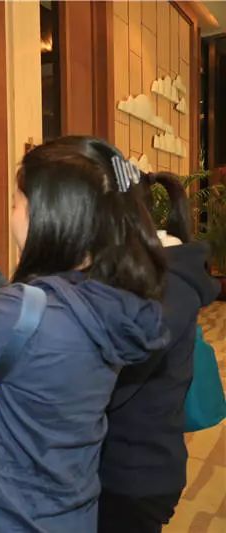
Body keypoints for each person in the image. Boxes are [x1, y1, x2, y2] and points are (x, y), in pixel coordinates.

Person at [0, 137, 169, 531]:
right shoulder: (112, 300)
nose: (11, 214)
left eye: (15, 203)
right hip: (63, 507)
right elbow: (22, 337)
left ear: (47, 217)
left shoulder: (26, 309)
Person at [98, 172, 220, 532]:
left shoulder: (163, 290)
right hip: (139, 467)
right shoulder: (160, 276)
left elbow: (110, 379)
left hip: (133, 477)